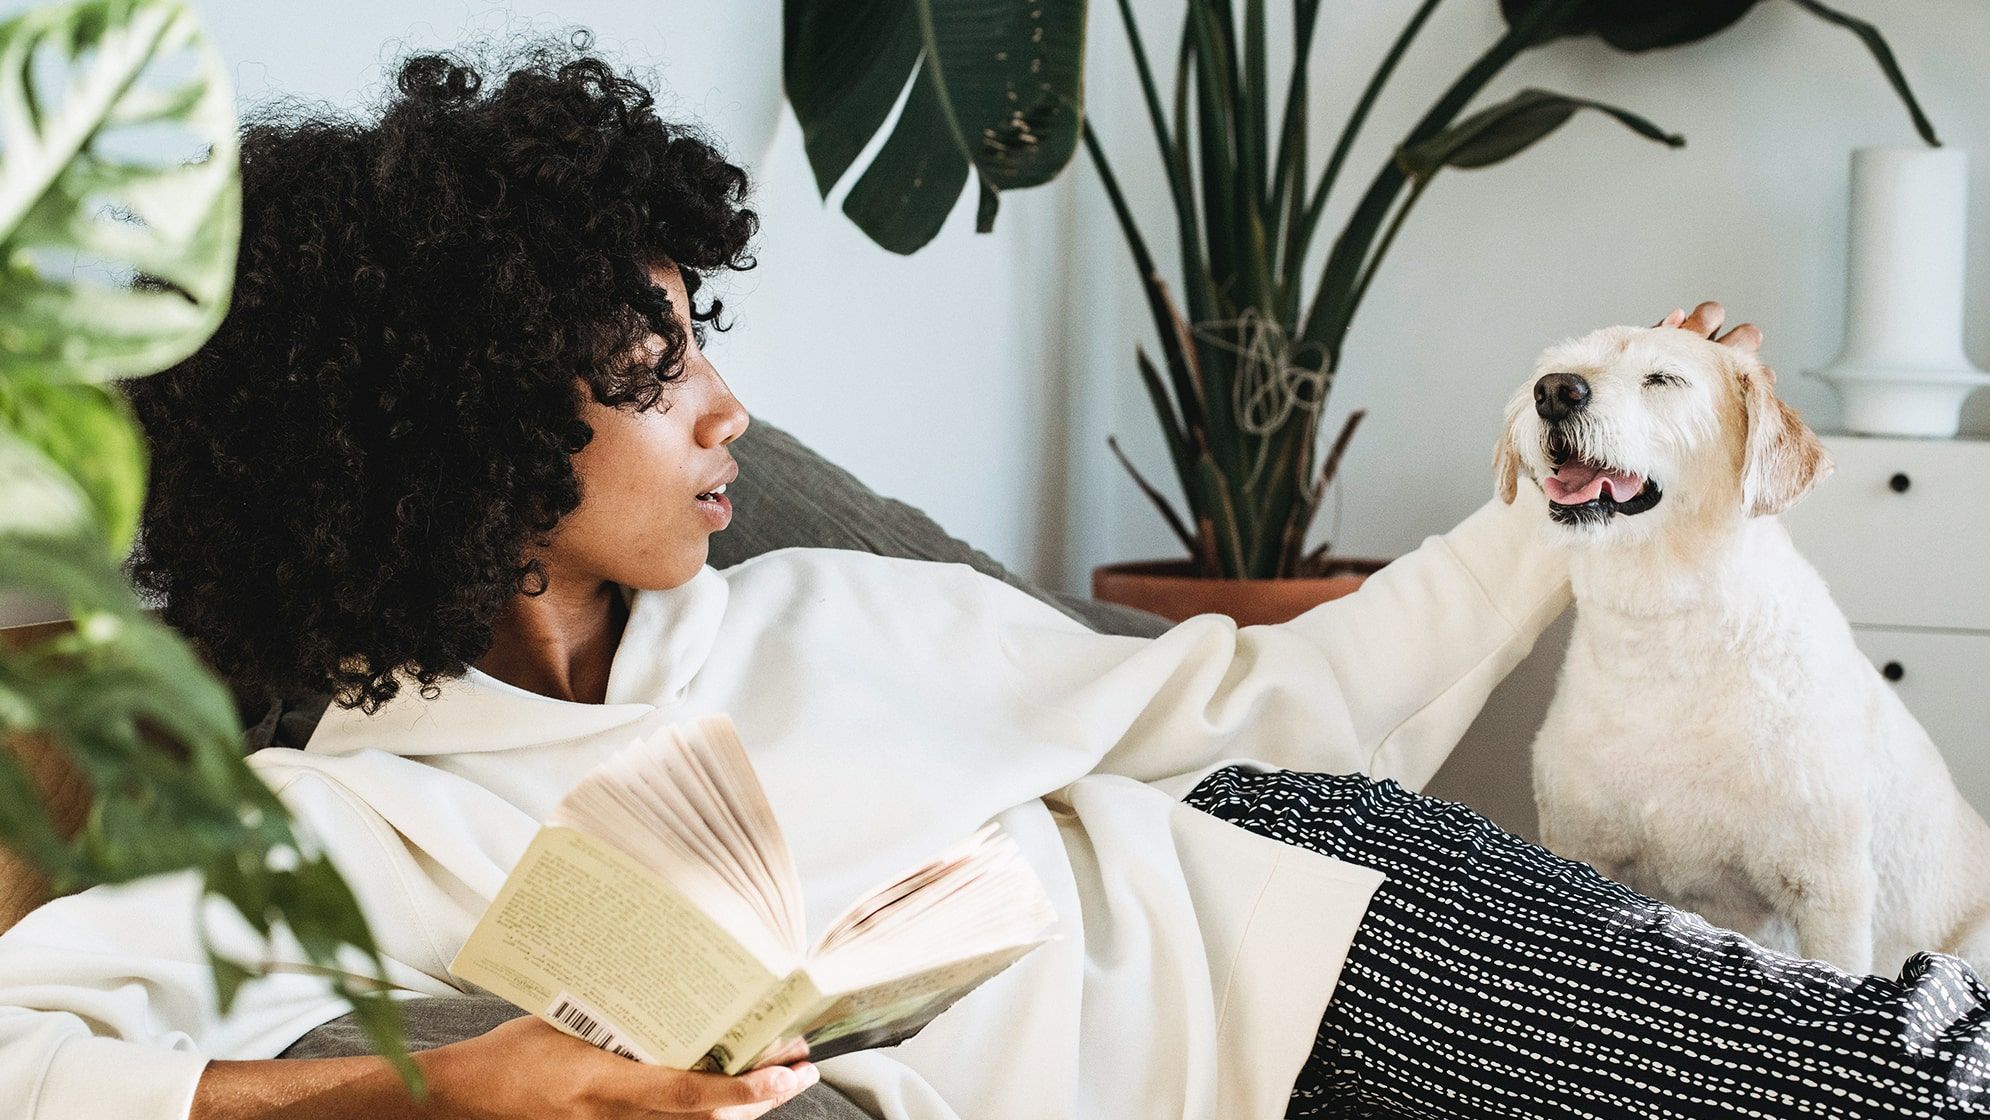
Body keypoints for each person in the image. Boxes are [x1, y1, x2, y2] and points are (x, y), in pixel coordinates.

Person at [1, 39, 1985, 1120]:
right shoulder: (329, 814)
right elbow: (38, 1049)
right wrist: (438, 1096)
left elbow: (1259, 705)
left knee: (1877, 1077)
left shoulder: (810, 609)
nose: (725, 409)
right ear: (463, 419)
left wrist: (1573, 496)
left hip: (1295, 919)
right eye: (660, 357)